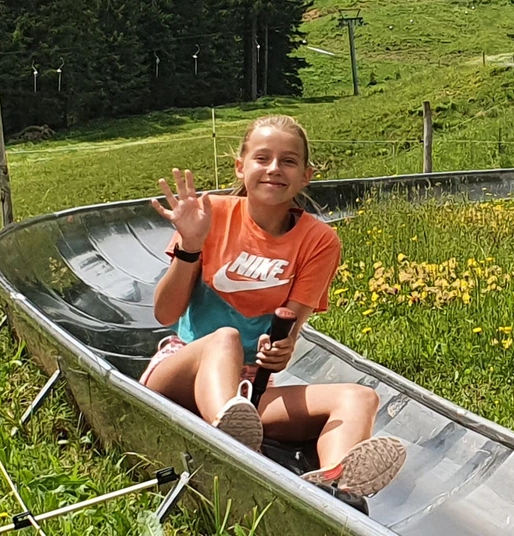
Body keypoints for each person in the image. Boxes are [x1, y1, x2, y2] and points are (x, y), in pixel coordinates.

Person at [140, 114, 405, 499]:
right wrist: (191, 246)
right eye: (262, 158)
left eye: (288, 161)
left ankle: (336, 485)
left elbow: (289, 333)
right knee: (225, 338)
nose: (274, 170)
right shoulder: (211, 215)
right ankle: (228, 433)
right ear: (241, 166)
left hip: (251, 389)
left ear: (305, 175)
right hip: (181, 372)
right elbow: (165, 313)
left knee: (361, 397)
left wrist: (278, 350)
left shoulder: (319, 241)